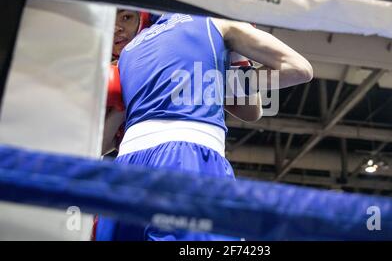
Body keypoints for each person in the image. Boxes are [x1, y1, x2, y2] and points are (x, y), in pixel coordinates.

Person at [95, 12, 313, 241]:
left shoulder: (125, 59)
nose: (118, 28)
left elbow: (97, 147)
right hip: (186, 159)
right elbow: (298, 69)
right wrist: (219, 78)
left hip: (123, 171)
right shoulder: (214, 22)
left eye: (126, 18)